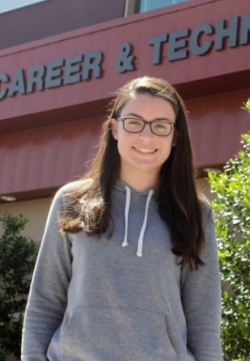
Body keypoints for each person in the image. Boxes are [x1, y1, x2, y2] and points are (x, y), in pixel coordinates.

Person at [21, 76, 223, 360]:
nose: (146, 136)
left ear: (175, 136)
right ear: (115, 128)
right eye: (134, 122)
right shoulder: (71, 202)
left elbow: (204, 318)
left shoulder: (194, 212)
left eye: (161, 126)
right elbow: (44, 302)